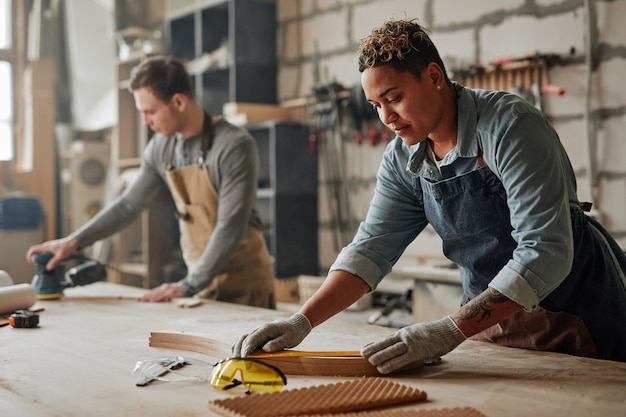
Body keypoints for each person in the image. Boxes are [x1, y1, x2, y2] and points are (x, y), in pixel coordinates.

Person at [233, 18, 626, 370]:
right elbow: (371, 250)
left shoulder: (511, 128)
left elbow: (545, 252)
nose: (386, 118)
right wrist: (302, 321)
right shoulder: (404, 157)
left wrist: (446, 330)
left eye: (394, 98)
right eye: (375, 105)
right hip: (489, 325)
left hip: (576, 318)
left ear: (435, 76)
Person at [27, 55, 276, 308]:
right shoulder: (162, 146)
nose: (146, 122)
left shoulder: (233, 146)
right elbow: (127, 206)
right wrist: (73, 242)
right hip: (199, 286)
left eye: (150, 112)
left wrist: (187, 285)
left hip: (244, 287)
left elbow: (229, 227)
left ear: (178, 102)